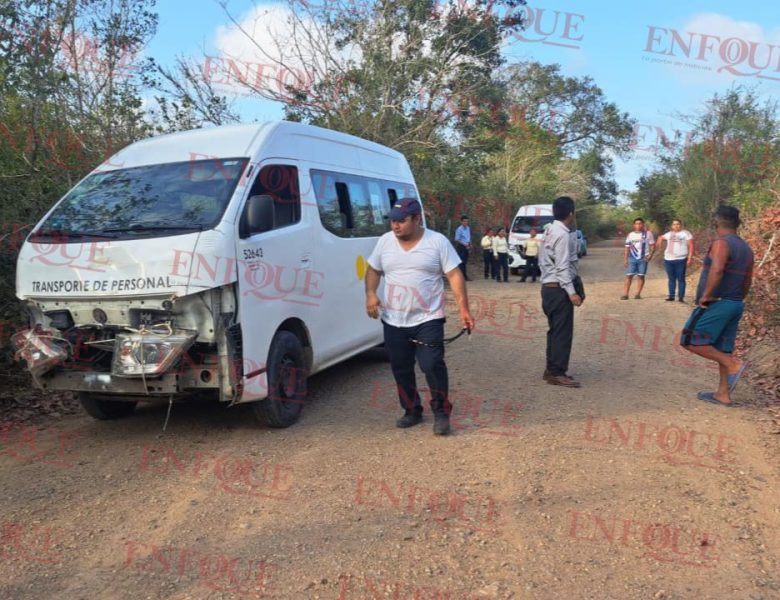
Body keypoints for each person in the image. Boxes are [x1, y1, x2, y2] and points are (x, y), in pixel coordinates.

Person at [365, 198, 476, 435]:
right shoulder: (385, 242)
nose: (395, 226)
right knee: (400, 368)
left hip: (428, 318)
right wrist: (370, 294)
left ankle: (441, 412)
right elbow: (373, 269)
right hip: (394, 320)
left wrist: (464, 309)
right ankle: (412, 410)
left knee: (432, 365)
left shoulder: (436, 242)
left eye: (401, 221)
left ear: (417, 219)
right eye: (393, 221)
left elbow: (455, 275)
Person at [680, 205, 753, 406]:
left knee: (690, 340)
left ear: (716, 222)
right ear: (737, 223)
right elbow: (747, 279)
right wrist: (737, 299)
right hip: (735, 303)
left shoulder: (721, 243)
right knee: (722, 348)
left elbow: (718, 269)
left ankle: (734, 365)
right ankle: (723, 394)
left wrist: (707, 296)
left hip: (718, 302)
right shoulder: (746, 248)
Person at [539, 196, 583, 388]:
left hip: (548, 288)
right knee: (562, 333)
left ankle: (551, 369)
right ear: (571, 213)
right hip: (558, 289)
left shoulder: (549, 230)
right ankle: (557, 372)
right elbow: (562, 267)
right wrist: (572, 292)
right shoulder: (562, 234)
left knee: (555, 331)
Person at [656, 218, 694, 302]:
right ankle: (671, 296)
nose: (676, 226)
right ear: (672, 226)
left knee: (681, 278)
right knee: (671, 278)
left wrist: (690, 258)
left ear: (681, 225)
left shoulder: (686, 233)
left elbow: (691, 246)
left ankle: (681, 297)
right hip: (668, 260)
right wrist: (659, 243)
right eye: (674, 224)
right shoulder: (669, 234)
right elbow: (661, 237)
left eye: (678, 224)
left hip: (681, 259)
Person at [622, 218, 655, 300]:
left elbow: (653, 246)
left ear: (643, 224)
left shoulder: (648, 234)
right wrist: (625, 259)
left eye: (640, 223)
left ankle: (638, 294)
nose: (638, 225)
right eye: (636, 223)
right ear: (634, 225)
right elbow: (627, 247)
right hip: (632, 257)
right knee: (629, 275)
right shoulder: (630, 235)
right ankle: (625, 294)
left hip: (643, 258)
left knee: (641, 276)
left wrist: (650, 255)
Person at [453, 215, 472, 281]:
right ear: (461, 222)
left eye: (467, 221)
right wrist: (465, 245)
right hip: (461, 247)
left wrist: (470, 245)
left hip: (467, 246)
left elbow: (468, 237)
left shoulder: (468, 228)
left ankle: (464, 276)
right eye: (464, 221)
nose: (466, 222)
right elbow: (457, 239)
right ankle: (461, 277)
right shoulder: (459, 229)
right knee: (461, 262)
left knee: (465, 262)